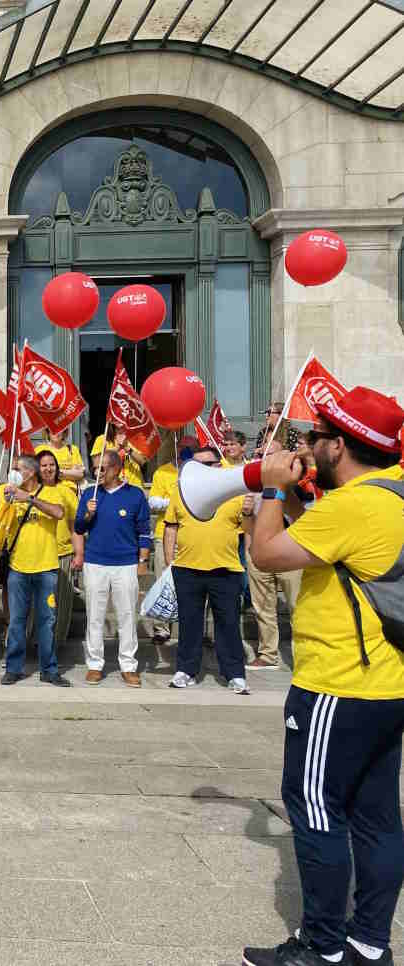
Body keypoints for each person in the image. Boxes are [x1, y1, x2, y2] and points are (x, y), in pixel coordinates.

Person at [241, 387, 404, 966]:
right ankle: (369, 943)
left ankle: (322, 948)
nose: (307, 445)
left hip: (336, 683)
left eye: (316, 438)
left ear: (340, 446)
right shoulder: (392, 495)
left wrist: (268, 483)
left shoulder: (351, 507)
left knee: (313, 808)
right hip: (388, 686)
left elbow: (265, 554)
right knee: (378, 818)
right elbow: (319, 548)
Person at [162, 445, 249, 694]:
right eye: (195, 465)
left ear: (218, 466)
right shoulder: (182, 492)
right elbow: (171, 526)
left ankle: (234, 674)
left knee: (229, 623)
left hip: (227, 569)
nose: (199, 470)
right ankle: (185, 670)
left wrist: (251, 512)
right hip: (187, 568)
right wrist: (170, 562)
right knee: (189, 623)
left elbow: (250, 529)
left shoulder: (235, 494)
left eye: (205, 464)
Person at [0, 453, 69, 687]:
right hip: (17, 567)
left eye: (17, 469)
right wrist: (2, 504)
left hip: (46, 567)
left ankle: (49, 669)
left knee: (46, 620)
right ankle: (14, 668)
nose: (13, 473)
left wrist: (29, 498)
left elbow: (59, 513)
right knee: (17, 620)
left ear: (31, 472)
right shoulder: (9, 493)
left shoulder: (51, 491)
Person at [72, 448, 151, 687]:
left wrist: (142, 562)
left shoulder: (135, 495)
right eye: (95, 468)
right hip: (95, 562)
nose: (97, 472)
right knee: (94, 616)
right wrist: (88, 513)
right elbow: (77, 527)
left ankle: (128, 665)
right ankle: (95, 665)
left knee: (126, 615)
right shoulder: (89, 493)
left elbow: (144, 532)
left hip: (125, 564)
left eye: (102, 468)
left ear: (117, 469)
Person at [244, 440, 302, 672]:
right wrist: (246, 513)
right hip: (259, 553)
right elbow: (247, 525)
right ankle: (268, 654)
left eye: (272, 453)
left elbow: (301, 517)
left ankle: (303, 655)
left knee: (298, 606)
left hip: (290, 553)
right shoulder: (251, 488)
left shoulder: (297, 483)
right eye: (263, 452)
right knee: (262, 607)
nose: (266, 457)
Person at [145, 440, 187, 647]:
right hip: (165, 534)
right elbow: (152, 502)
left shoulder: (200, 471)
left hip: (192, 536)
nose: (186, 451)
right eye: (183, 448)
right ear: (176, 449)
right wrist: (174, 503)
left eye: (191, 448)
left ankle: (190, 626)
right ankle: (161, 629)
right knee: (163, 578)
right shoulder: (163, 471)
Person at [38, 448, 80, 644]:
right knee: (37, 603)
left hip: (63, 553)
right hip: (37, 555)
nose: (48, 469)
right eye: (44, 465)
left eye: (52, 465)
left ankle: (56, 643)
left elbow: (75, 526)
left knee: (61, 603)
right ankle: (37, 643)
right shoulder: (31, 491)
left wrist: (79, 554)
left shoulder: (66, 491)